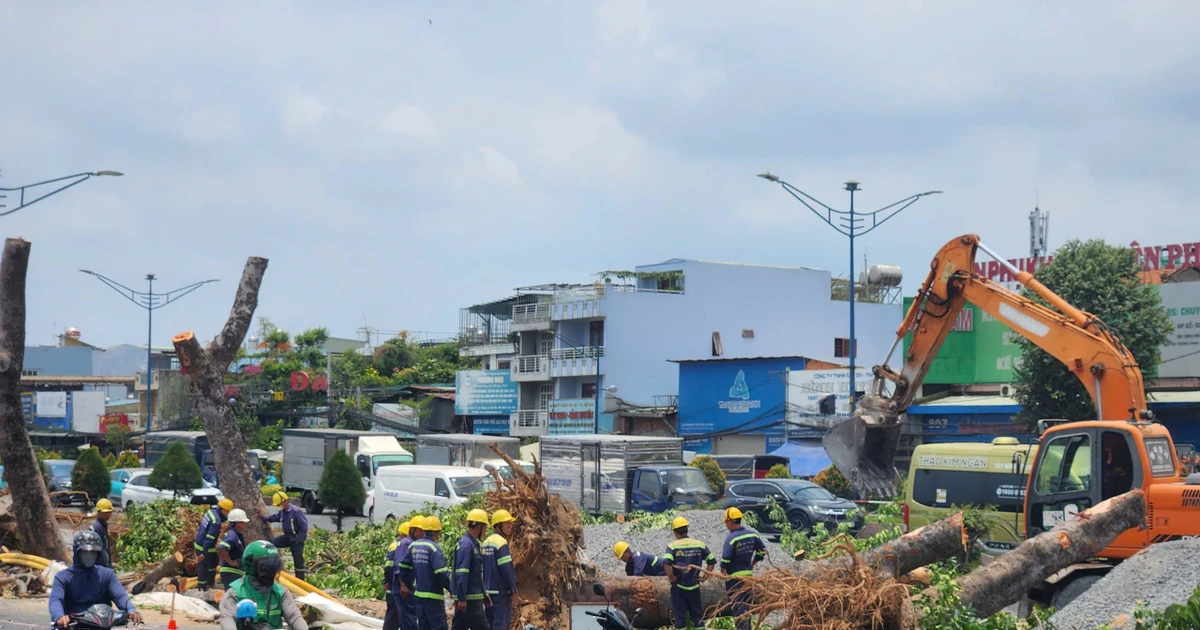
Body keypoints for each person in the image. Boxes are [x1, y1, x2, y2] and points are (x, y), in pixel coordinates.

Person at [50, 531, 143, 627]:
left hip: (101, 624)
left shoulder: (107, 574)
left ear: (98, 554)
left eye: (93, 552)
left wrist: (131, 610)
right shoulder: (62, 577)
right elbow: (56, 599)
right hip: (73, 625)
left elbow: (120, 595)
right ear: (77, 552)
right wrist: (59, 616)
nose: (89, 556)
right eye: (85, 552)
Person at [219, 540, 308, 630]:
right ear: (251, 566)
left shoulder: (281, 592)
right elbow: (227, 620)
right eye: (267, 567)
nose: (271, 571)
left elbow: (294, 617)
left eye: (274, 566)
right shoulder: (236, 592)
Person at [662, 516, 716, 630]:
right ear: (686, 530)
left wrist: (671, 577)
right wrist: (705, 577)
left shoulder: (672, 546)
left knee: (680, 617)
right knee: (697, 617)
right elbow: (712, 560)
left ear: (675, 532)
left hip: (679, 587)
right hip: (694, 587)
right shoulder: (699, 544)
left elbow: (666, 562)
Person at [399, 515, 450, 630]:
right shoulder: (434, 548)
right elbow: (441, 574)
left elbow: (402, 567)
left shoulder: (414, 545)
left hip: (419, 596)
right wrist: (452, 589)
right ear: (436, 532)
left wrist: (409, 585)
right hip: (434, 598)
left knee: (423, 626)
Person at [720, 507, 766, 630]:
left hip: (734, 579)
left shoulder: (731, 538)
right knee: (747, 607)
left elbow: (725, 559)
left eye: (726, 523)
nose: (726, 525)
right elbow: (763, 550)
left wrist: (723, 572)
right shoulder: (752, 534)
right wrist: (754, 562)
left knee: (738, 607)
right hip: (748, 576)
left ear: (730, 522)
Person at [451, 509, 490, 630]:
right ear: (479, 526)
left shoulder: (472, 544)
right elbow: (462, 573)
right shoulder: (467, 545)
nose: (485, 531)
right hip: (470, 600)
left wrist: (483, 593)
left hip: (471, 597)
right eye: (485, 527)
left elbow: (476, 574)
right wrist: (462, 598)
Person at [259, 491, 310, 581]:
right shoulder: (282, 512)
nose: (279, 506)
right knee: (273, 544)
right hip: (287, 537)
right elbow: (275, 518)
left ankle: (300, 580)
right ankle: (273, 566)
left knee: (298, 560)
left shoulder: (296, 511)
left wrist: (300, 539)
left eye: (280, 504)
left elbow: (304, 526)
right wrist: (264, 517)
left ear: (285, 501)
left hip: (297, 539)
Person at [482, 509, 518, 630]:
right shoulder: (501, 543)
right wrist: (512, 587)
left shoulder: (485, 543)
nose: (510, 525)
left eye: (510, 522)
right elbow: (506, 568)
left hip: (487, 593)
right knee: (501, 625)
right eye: (506, 523)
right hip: (501, 593)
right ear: (498, 525)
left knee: (490, 625)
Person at [195, 498, 234, 590]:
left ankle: (209, 583)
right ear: (223, 510)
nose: (227, 515)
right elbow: (210, 538)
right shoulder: (216, 522)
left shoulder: (210, 512)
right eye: (227, 512)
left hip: (200, 542)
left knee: (213, 562)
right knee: (204, 566)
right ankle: (202, 587)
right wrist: (204, 552)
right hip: (204, 546)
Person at [395, 517, 425, 630]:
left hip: (411, 588)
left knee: (410, 620)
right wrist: (403, 585)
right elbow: (399, 566)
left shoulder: (415, 544)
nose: (422, 533)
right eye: (420, 530)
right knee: (409, 621)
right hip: (404, 590)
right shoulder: (405, 544)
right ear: (412, 530)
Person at [383, 519, 412, 630]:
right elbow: (391, 568)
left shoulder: (394, 545)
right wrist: (389, 581)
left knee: (394, 617)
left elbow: (388, 567)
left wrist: (386, 581)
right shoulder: (400, 546)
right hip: (395, 587)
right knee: (393, 618)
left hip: (393, 586)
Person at [218, 509, 252, 589]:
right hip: (231, 573)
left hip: (235, 573)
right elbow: (222, 548)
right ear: (237, 523)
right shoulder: (232, 536)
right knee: (233, 597)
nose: (245, 524)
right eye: (244, 522)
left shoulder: (236, 535)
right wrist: (230, 562)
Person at [89, 498, 115, 568]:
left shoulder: (104, 525)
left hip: (105, 564)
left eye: (110, 512)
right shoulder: (96, 527)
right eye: (106, 513)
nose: (108, 515)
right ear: (99, 512)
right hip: (98, 565)